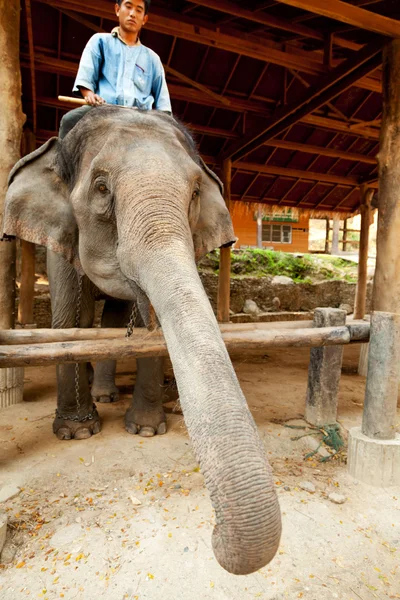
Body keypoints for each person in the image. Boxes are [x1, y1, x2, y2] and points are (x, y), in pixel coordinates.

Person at [59, 0, 172, 139]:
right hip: (102, 111)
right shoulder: (100, 41)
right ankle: (61, 162)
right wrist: (89, 94)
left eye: (138, 10)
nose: (132, 14)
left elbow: (164, 105)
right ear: (117, 9)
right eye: (128, 7)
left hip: (142, 118)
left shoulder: (153, 59)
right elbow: (86, 77)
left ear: (145, 19)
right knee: (68, 121)